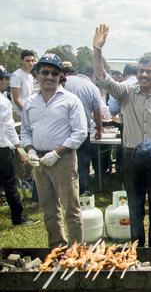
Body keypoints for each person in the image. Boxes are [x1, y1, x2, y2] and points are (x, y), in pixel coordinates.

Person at [92, 24, 151, 247]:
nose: (144, 74)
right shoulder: (126, 93)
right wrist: (97, 49)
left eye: (149, 71)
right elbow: (102, 78)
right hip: (131, 157)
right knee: (135, 205)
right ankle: (136, 248)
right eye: (141, 70)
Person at [21, 53, 87, 247]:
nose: (49, 77)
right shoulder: (31, 102)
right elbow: (25, 131)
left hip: (63, 159)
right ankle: (57, 247)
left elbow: (80, 133)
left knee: (71, 207)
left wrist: (57, 152)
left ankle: (76, 250)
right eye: (45, 72)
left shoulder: (70, 100)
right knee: (49, 208)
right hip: (39, 160)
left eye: (54, 73)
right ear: (37, 74)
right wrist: (30, 150)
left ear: (60, 76)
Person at [0, 65, 38, 226]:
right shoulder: (3, 102)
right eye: (6, 79)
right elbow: (8, 127)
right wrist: (18, 147)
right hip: (2, 147)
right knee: (10, 183)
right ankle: (18, 217)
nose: (8, 82)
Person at [61, 64, 104, 195]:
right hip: (82, 131)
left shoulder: (62, 83)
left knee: (61, 161)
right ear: (91, 75)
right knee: (82, 162)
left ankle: (61, 190)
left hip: (61, 131)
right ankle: (81, 189)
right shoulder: (92, 87)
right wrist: (99, 129)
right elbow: (97, 112)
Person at [10, 49, 39, 209]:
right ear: (22, 61)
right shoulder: (17, 75)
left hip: (30, 115)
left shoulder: (30, 76)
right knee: (22, 150)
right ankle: (24, 179)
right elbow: (17, 98)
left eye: (33, 60)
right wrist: (26, 114)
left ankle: (30, 179)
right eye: (28, 60)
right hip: (19, 115)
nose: (31, 63)